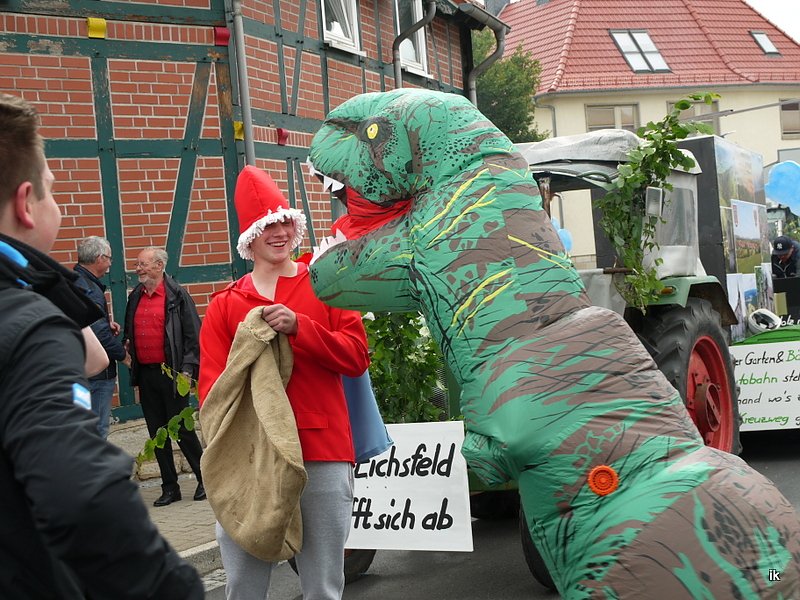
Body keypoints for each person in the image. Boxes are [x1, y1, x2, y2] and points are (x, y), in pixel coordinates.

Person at [0, 93, 203, 597]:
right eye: (50, 190)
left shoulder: (41, 306)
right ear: (26, 203)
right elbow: (81, 493)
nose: (58, 204)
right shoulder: (25, 321)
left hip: (169, 373)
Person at [198, 165, 370, 600]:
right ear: (249, 238)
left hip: (322, 451)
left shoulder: (325, 283)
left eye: (285, 222)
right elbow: (213, 395)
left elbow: (355, 358)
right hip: (251, 459)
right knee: (243, 587)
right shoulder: (225, 306)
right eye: (267, 225)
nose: (279, 232)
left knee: (323, 587)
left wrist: (302, 329)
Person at [123, 247, 205, 506]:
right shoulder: (135, 295)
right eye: (138, 264)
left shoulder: (177, 296)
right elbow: (129, 331)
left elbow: (193, 337)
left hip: (174, 374)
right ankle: (170, 487)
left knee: (182, 430)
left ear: (159, 265)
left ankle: (205, 479)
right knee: (156, 432)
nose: (138, 269)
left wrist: (187, 372)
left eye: (143, 264)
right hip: (147, 374)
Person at [73, 236, 127, 438]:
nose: (111, 264)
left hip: (80, 367)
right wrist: (123, 356)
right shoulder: (90, 289)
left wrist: (104, 322)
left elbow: (85, 322)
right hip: (96, 373)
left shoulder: (77, 280)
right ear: (100, 258)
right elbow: (97, 332)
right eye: (110, 258)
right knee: (97, 431)